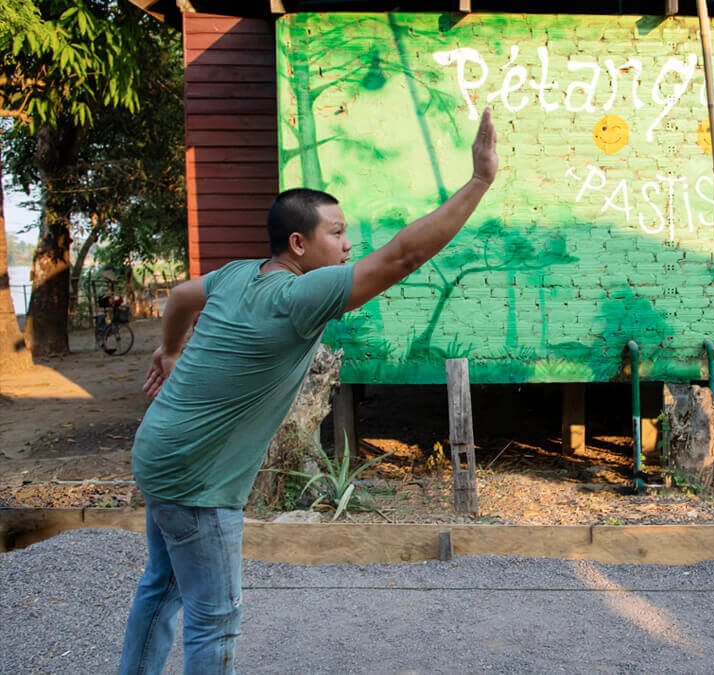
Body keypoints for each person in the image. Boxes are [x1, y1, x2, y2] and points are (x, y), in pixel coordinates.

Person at [119, 109, 498, 673]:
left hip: (158, 452)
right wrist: (479, 181)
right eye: (337, 233)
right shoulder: (301, 297)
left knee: (163, 584)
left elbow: (178, 297)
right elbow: (403, 256)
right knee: (215, 615)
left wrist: (170, 350)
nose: (349, 244)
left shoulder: (238, 275)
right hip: (198, 480)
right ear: (298, 244)